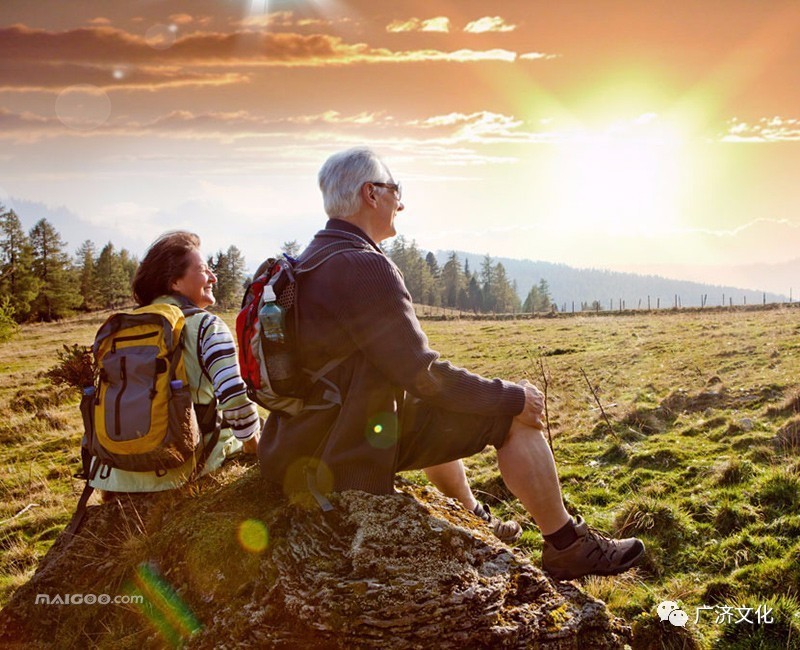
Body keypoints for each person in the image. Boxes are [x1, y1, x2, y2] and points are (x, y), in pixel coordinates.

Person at [258, 148, 644, 579]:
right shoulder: (363, 266)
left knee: (435, 409)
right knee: (512, 419)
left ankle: (475, 515)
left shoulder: (309, 260)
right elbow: (423, 377)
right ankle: (567, 546)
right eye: (394, 190)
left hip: (297, 444)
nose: (399, 202)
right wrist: (512, 396)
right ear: (371, 194)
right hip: (339, 455)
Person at [90, 231, 260, 494]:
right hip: (182, 469)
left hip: (119, 474)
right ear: (175, 283)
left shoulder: (123, 328)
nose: (213, 277)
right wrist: (255, 450)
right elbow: (234, 399)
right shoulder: (207, 326)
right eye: (203, 270)